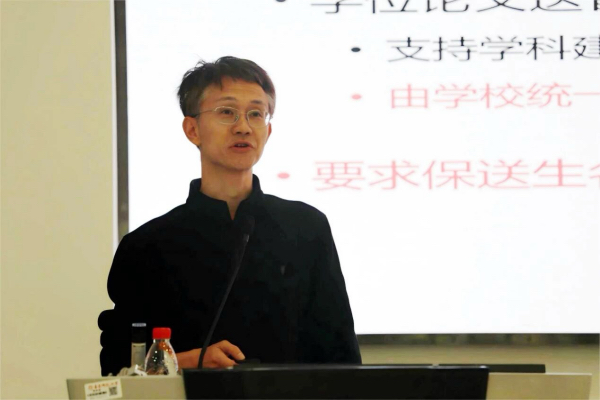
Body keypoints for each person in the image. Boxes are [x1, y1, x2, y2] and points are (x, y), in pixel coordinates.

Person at [98, 56, 361, 376]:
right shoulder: (146, 245)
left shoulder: (306, 228)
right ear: (192, 129)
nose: (243, 127)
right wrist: (188, 362)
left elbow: (341, 355)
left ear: (268, 130)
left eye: (256, 114)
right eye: (226, 112)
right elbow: (117, 366)